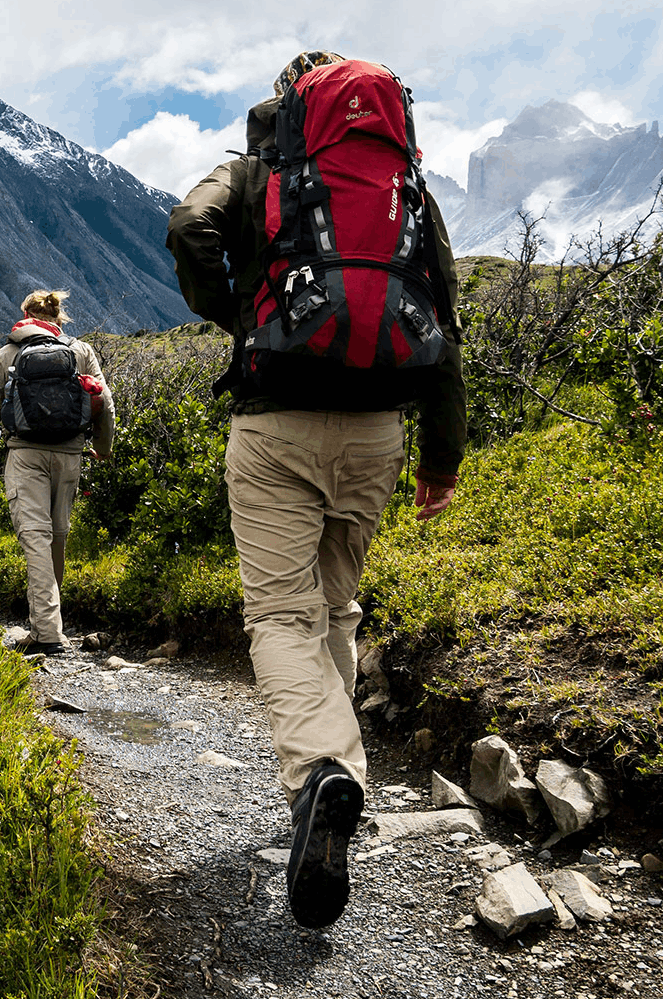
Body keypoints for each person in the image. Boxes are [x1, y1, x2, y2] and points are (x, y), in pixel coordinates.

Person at [166, 52, 466, 930]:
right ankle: (334, 777)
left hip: (275, 422)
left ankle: (321, 776)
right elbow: (443, 318)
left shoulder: (260, 172)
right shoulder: (405, 188)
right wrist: (440, 460)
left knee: (279, 616)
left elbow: (189, 226)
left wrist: (237, 313)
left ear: (289, 103)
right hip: (377, 431)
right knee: (336, 609)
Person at [0, 289, 115, 655]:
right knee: (57, 536)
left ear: (25, 315)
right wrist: (102, 447)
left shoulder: (8, 353)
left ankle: (48, 633)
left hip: (25, 455)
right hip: (70, 455)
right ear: (58, 317)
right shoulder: (80, 351)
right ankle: (50, 623)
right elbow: (106, 403)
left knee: (35, 537)